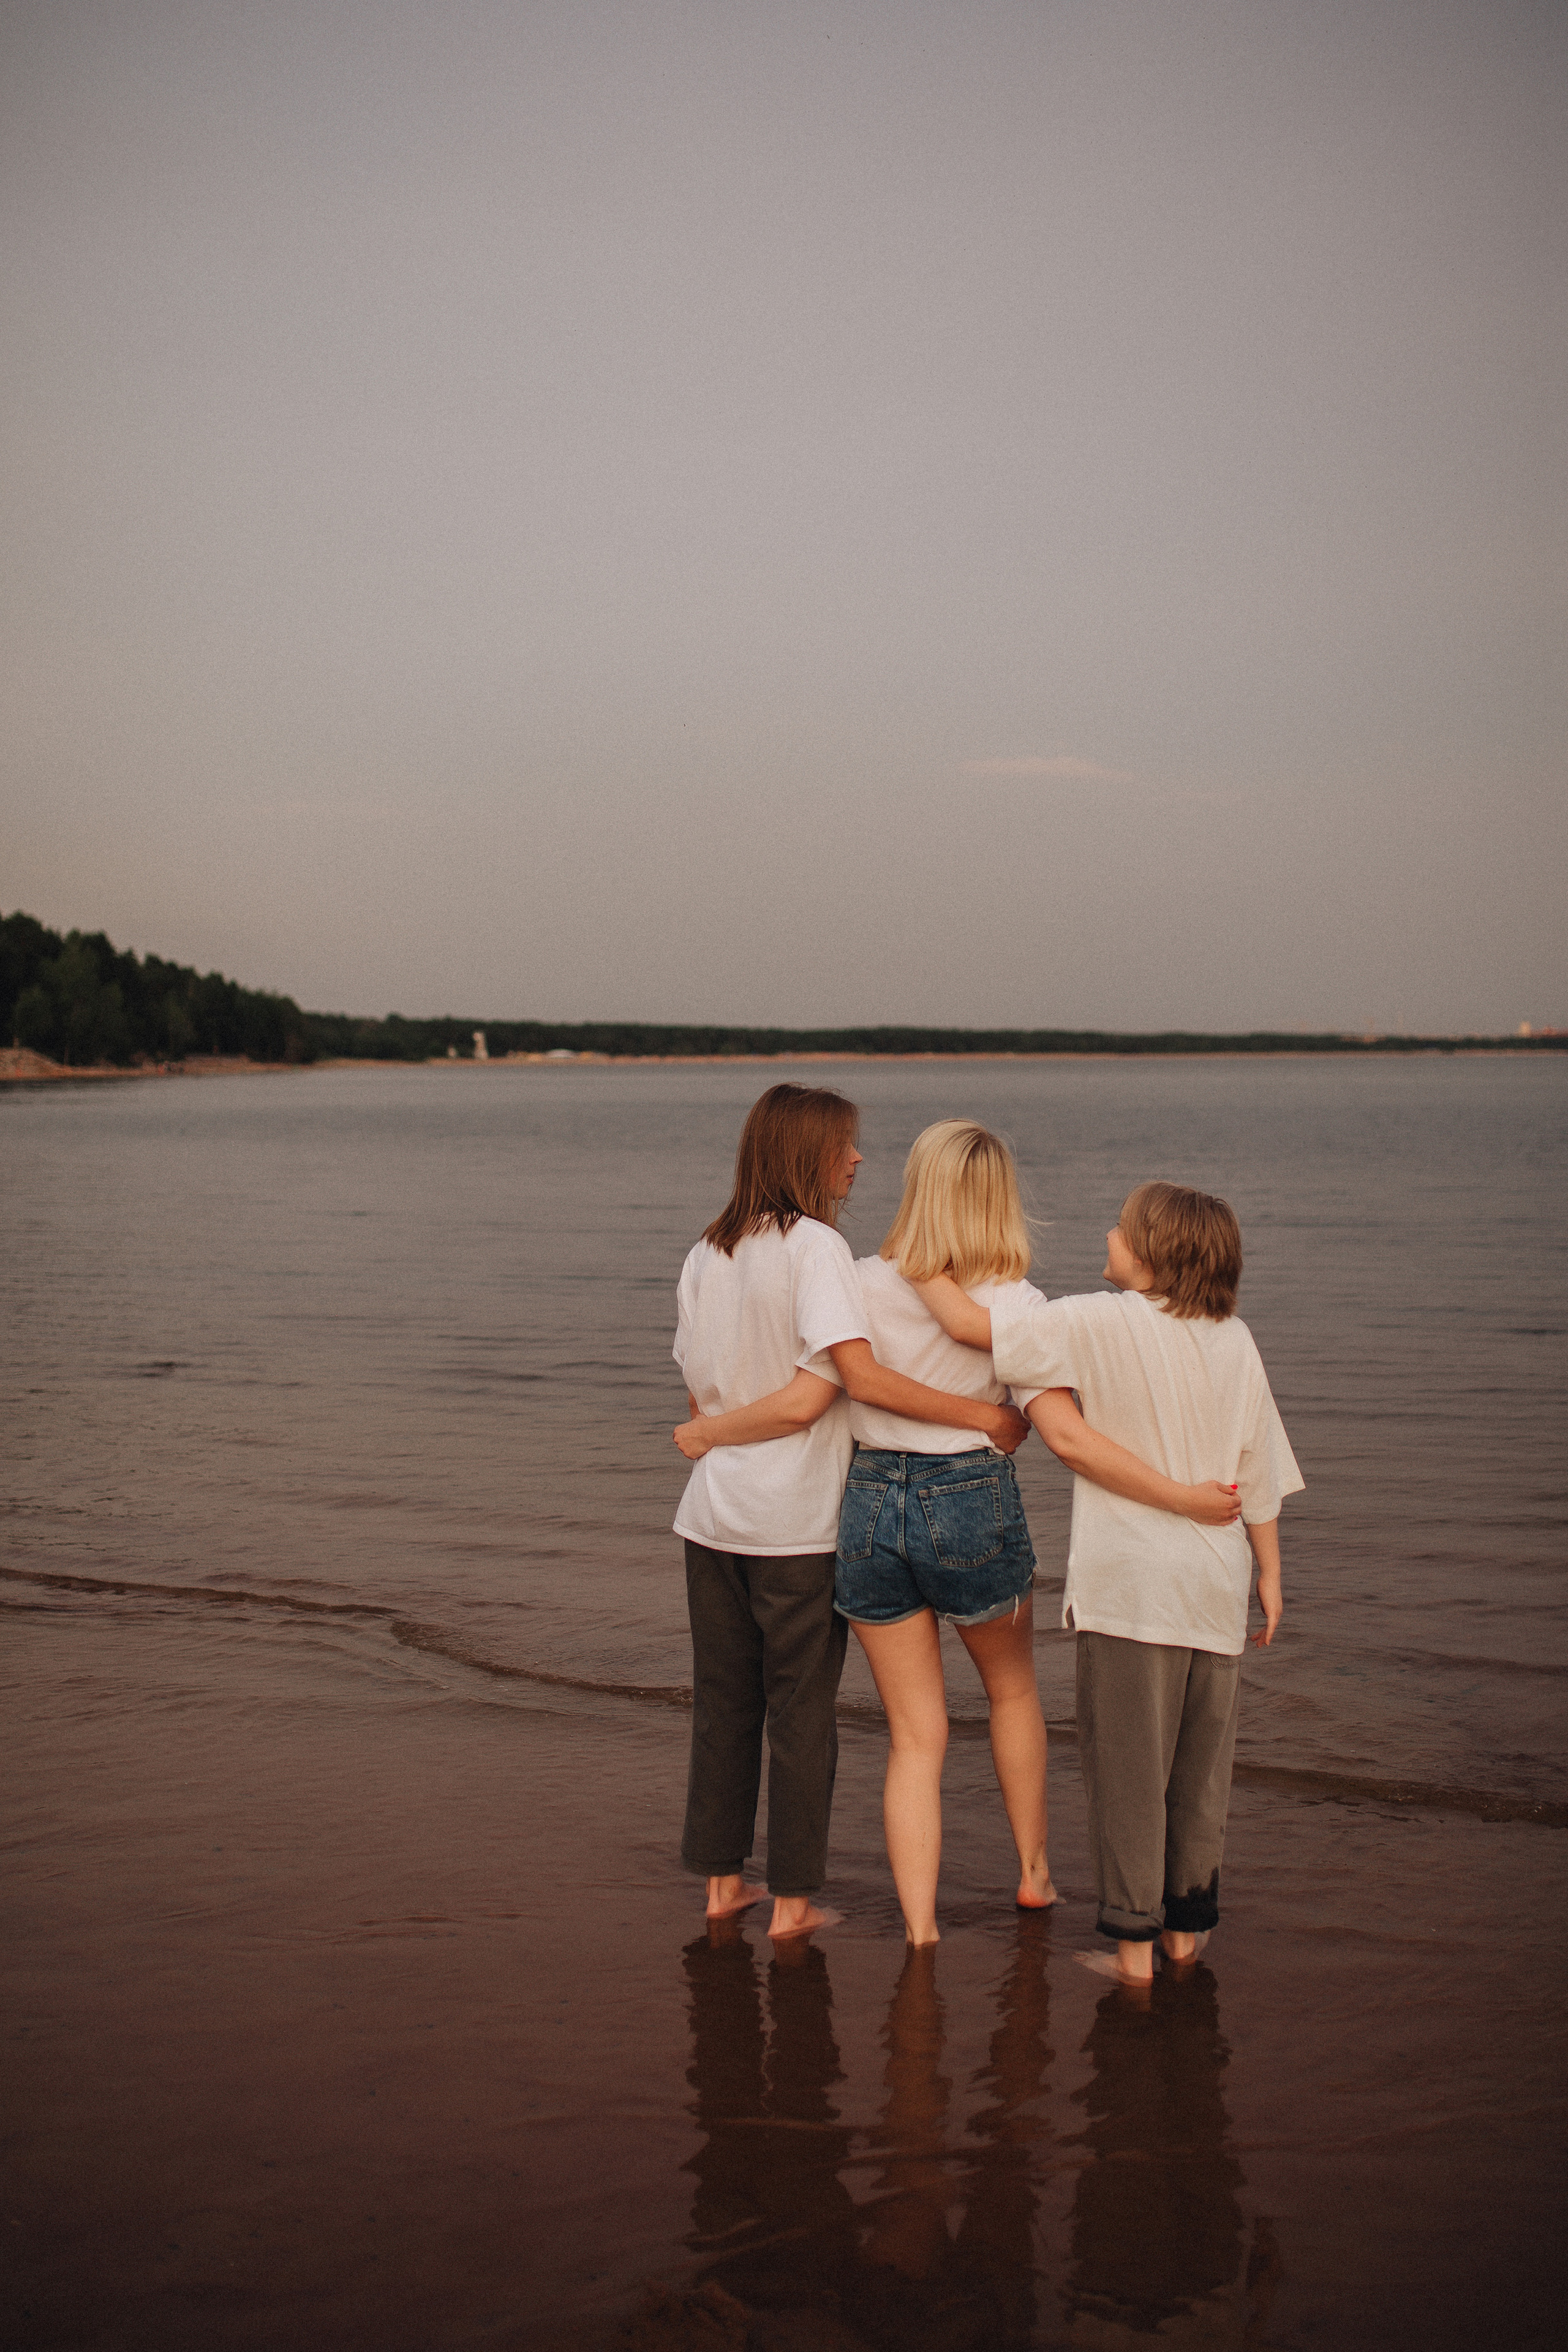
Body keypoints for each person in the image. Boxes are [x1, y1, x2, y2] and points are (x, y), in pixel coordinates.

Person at [836, 1124, 1248, 1947]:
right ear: (997, 1197)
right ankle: (1032, 1874)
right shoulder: (1020, 1302)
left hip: (871, 1501)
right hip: (970, 1500)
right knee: (1012, 1694)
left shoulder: (855, 1281)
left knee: (915, 1735)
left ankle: (920, 1928)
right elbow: (1059, 1428)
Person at [916, 1179, 1304, 1986]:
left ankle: (1132, 1955)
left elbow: (969, 1327)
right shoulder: (1236, 1338)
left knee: (1129, 1776)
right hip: (1214, 1587)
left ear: (1154, 1254)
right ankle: (1185, 1940)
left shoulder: (1094, 1321)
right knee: (1200, 1777)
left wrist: (920, 1254)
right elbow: (1257, 1466)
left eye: (1122, 1229)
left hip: (1133, 1590)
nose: (1108, 1233)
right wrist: (1269, 1573)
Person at [671, 1084, 1033, 1944]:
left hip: (710, 1517)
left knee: (725, 1704)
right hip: (794, 1520)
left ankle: (723, 1884)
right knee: (799, 1712)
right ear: (807, 1153)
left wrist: (711, 1430)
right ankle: (793, 1903)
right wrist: (986, 1415)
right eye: (847, 1144)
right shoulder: (817, 1247)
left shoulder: (704, 1254)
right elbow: (830, 1390)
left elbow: (700, 1386)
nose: (859, 1158)